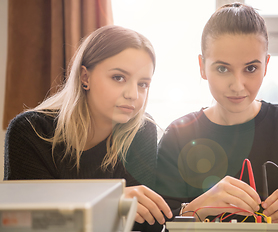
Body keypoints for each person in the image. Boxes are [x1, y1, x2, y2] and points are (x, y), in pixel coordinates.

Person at [155, 3, 278, 232]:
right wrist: (196, 209)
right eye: (222, 69)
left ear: (266, 65)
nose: (238, 86)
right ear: (202, 67)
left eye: (250, 69)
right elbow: (157, 225)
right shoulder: (178, 135)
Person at [4, 25, 172, 231]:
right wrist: (111, 202)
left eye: (143, 84)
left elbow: (147, 225)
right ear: (85, 77)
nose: (133, 95)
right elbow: (28, 223)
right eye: (119, 78)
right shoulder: (30, 130)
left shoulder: (141, 131)